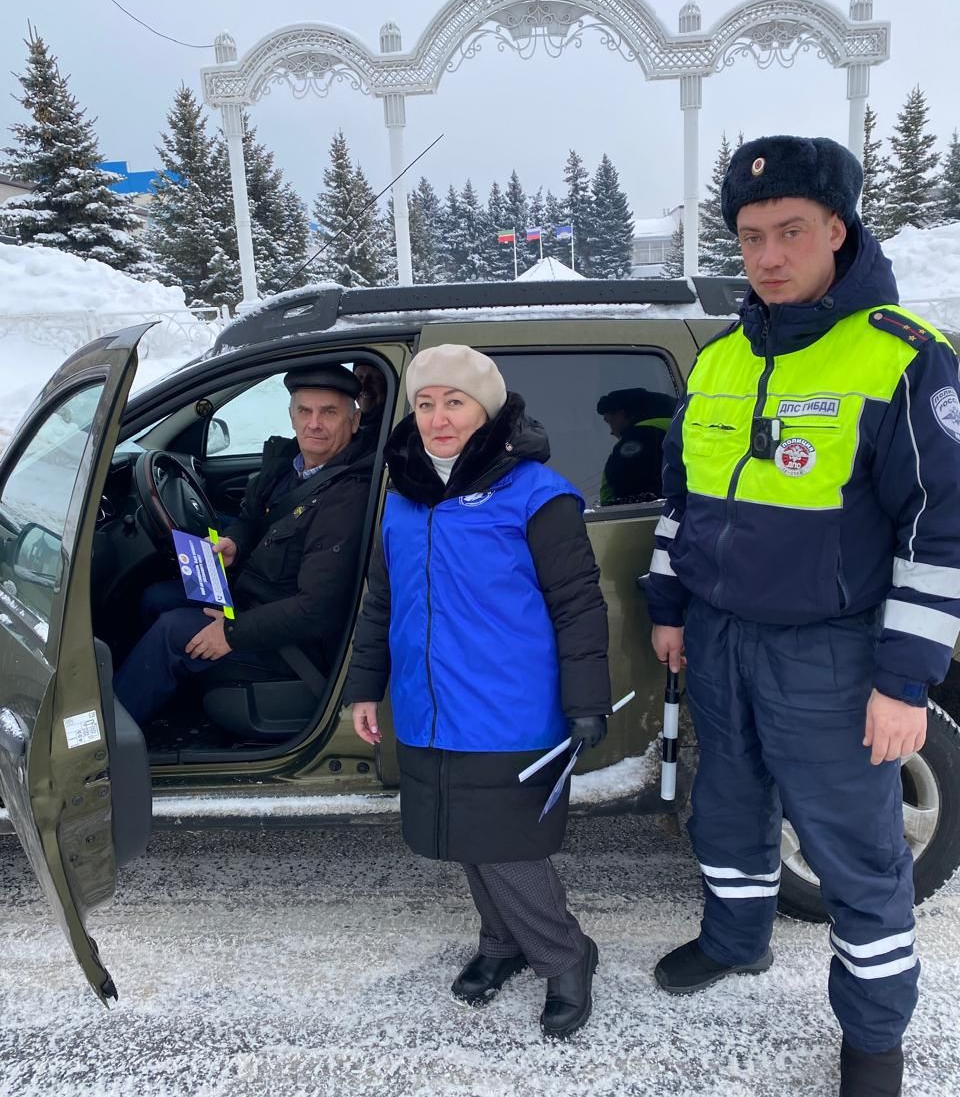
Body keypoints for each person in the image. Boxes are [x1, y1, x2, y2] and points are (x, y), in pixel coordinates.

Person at [644, 135, 960, 1097]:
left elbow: (938, 528)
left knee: (859, 857)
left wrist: (905, 678)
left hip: (831, 650)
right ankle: (736, 939)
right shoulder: (722, 359)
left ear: (837, 229)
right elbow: (681, 498)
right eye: (751, 234)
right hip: (724, 636)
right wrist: (667, 603)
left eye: (790, 231)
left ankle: (873, 1043)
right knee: (727, 810)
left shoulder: (901, 355)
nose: (769, 254)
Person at [343, 344, 611, 1039]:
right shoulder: (404, 497)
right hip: (430, 705)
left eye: (454, 402)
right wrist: (364, 688)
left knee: (508, 844)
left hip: (508, 709)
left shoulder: (536, 494)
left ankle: (565, 955)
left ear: (485, 409)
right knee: (462, 834)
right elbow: (381, 601)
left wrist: (586, 700)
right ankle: (501, 944)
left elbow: (579, 604)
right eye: (425, 403)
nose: (437, 417)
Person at [114, 366, 374, 726]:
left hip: (295, 644)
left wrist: (232, 633)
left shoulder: (349, 495)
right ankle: (171, 690)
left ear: (354, 421)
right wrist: (234, 542)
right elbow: (252, 518)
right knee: (155, 598)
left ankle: (106, 740)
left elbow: (317, 610)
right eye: (305, 411)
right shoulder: (288, 467)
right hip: (257, 598)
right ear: (292, 416)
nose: (314, 423)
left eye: (329, 412)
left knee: (172, 631)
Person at [596, 388, 676, 504]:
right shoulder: (672, 428)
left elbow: (634, 495)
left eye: (609, 422)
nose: (611, 432)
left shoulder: (640, 437)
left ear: (621, 414)